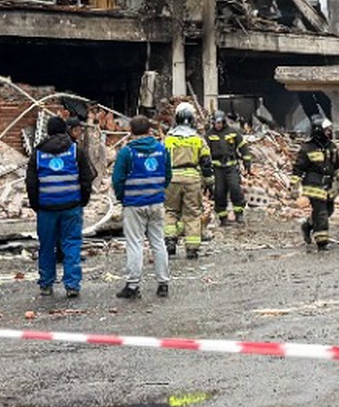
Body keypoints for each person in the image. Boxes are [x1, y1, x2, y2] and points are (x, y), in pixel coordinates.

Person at [25, 114, 96, 300]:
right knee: (71, 244)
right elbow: (86, 178)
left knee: (47, 246)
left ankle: (46, 284)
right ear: (64, 130)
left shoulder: (37, 153)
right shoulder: (75, 150)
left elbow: (31, 183)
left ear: (48, 131)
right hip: (71, 205)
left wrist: (36, 205)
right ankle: (72, 285)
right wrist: (83, 200)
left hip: (46, 208)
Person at [111, 115, 172, 299]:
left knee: (135, 244)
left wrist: (122, 197)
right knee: (158, 242)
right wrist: (158, 190)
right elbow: (168, 175)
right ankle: (163, 283)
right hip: (156, 202)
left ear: (131, 131)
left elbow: (117, 179)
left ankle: (133, 285)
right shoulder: (161, 149)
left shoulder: (127, 152)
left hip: (134, 204)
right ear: (148, 130)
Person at [163, 102, 211, 258]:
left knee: (170, 211)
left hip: (172, 178)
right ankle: (192, 248)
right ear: (192, 119)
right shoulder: (198, 139)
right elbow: (206, 162)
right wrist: (209, 182)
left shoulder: (168, 139)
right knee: (192, 214)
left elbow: (161, 160)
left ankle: (170, 242)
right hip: (192, 179)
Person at [292, 117, 339, 251]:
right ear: (319, 131)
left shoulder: (332, 147)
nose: (329, 132)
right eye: (326, 130)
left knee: (329, 210)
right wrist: (294, 185)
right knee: (321, 213)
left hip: (328, 184)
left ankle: (308, 226)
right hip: (313, 185)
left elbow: (336, 166)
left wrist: (338, 180)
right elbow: (298, 168)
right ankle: (322, 242)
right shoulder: (307, 148)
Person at [205, 110, 253, 225]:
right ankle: (223, 218)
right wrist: (205, 167)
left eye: (220, 123)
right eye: (216, 123)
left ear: (223, 122)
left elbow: (243, 146)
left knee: (235, 189)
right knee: (219, 192)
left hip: (231, 166)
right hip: (217, 168)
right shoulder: (209, 135)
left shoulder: (232, 132)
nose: (218, 125)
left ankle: (239, 214)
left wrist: (247, 161)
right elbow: (204, 152)